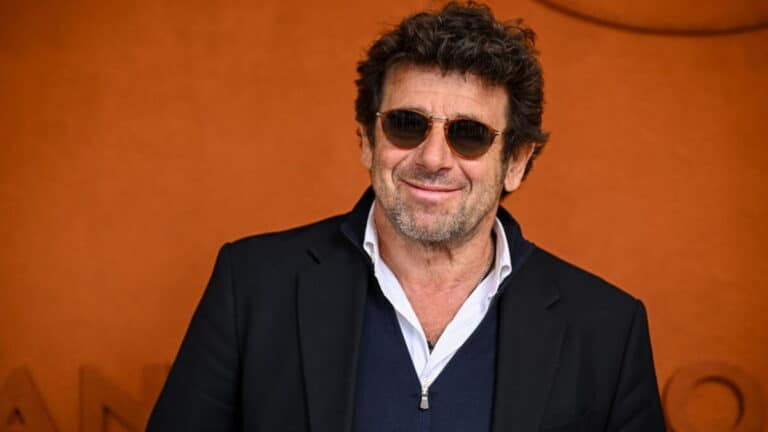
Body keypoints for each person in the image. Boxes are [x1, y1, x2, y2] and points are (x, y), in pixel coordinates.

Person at [147, 2, 666, 431]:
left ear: (515, 161)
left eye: (469, 134)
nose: (433, 157)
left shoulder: (607, 329)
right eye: (406, 124)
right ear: (367, 142)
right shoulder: (253, 287)